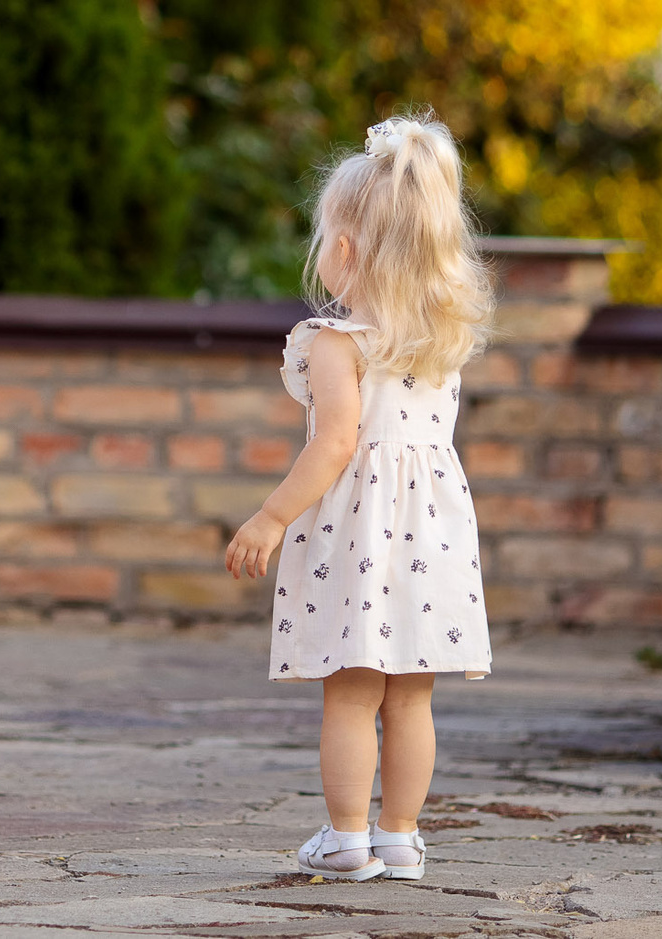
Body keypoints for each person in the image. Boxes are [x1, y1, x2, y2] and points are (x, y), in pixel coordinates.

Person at [223, 115, 495, 882]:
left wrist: (272, 514)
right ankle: (402, 835)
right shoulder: (444, 342)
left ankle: (347, 837)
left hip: (359, 536)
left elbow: (336, 442)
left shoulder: (336, 342)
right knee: (412, 699)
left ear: (343, 250)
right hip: (434, 538)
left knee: (349, 694)